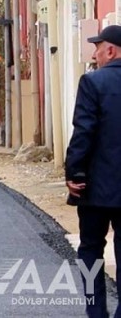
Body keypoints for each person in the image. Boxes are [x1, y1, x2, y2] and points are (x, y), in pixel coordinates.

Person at [65, 24, 121, 318]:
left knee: (91, 251)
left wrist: (74, 174)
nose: (94, 54)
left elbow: (83, 132)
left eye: (97, 48)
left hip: (95, 187)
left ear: (110, 50)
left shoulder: (93, 82)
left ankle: (96, 311)